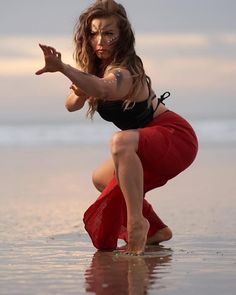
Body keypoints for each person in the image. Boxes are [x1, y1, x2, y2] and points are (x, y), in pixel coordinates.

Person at [36, 0, 198, 255]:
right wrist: (79, 87)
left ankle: (136, 224)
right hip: (144, 142)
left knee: (120, 141)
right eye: (94, 33)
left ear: (122, 37)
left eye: (108, 33)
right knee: (101, 178)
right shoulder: (95, 71)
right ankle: (156, 230)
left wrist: (64, 68)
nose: (100, 40)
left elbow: (103, 88)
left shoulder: (126, 71)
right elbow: (71, 105)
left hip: (174, 137)